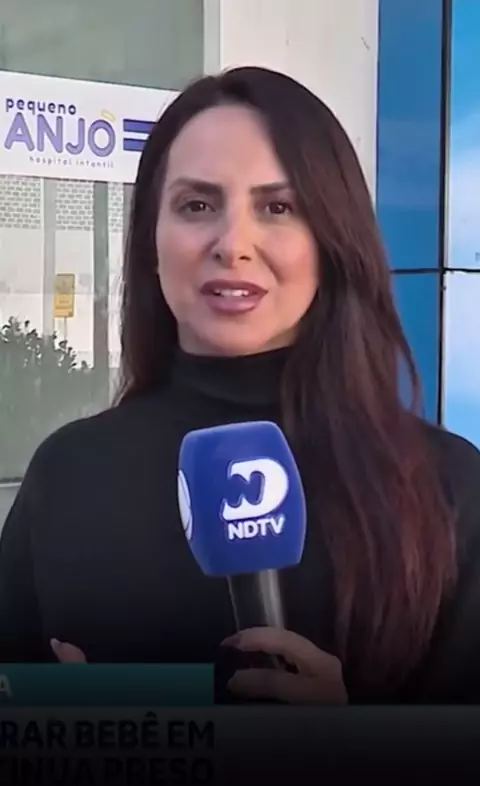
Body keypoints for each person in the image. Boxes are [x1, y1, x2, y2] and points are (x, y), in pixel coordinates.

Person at [0, 66, 479, 705]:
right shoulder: (68, 475)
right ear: (150, 240)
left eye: (277, 207)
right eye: (197, 205)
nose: (233, 244)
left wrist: (353, 745)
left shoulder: (448, 489)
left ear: (332, 239)